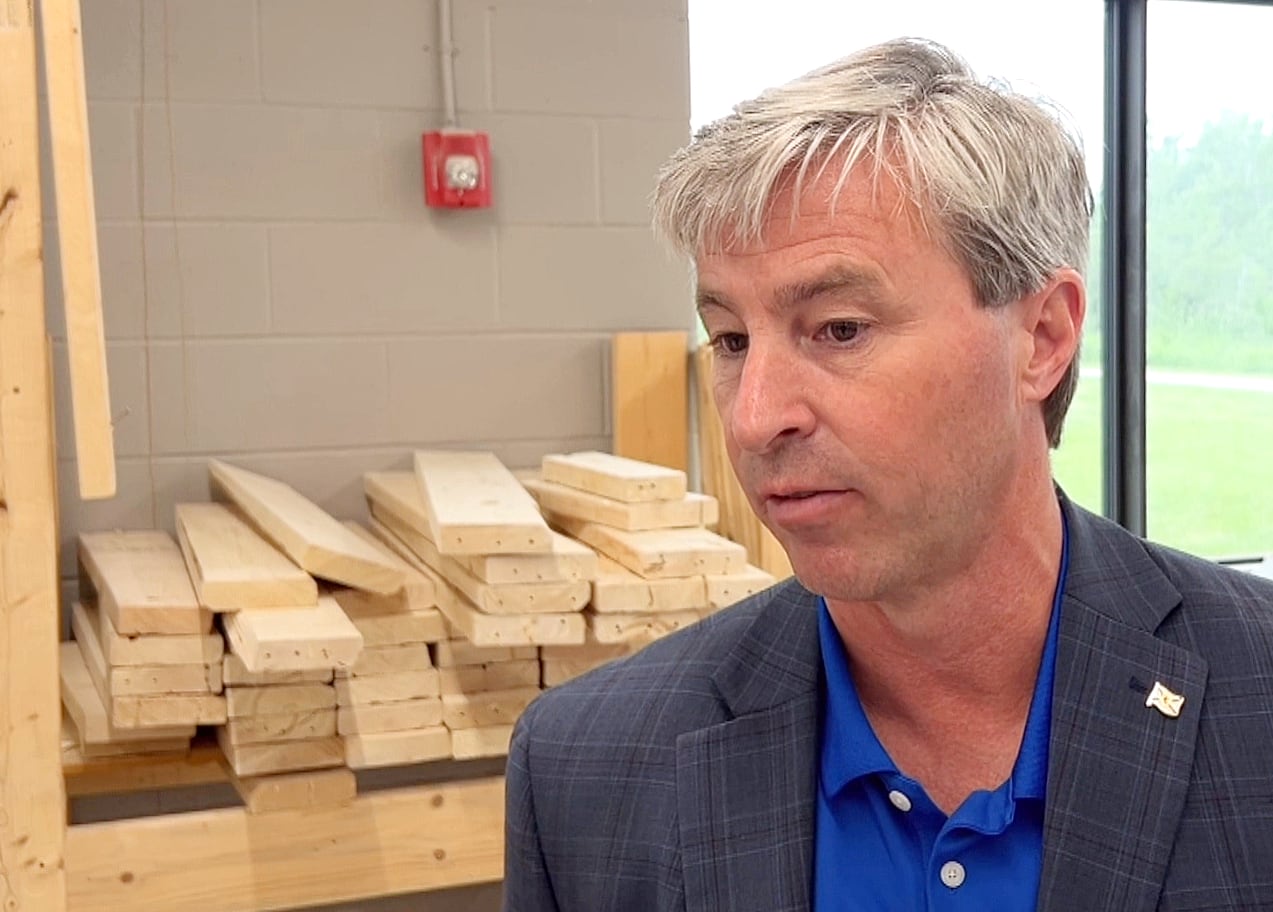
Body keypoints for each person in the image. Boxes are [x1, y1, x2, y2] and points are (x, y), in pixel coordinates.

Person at [502, 37, 1273, 911]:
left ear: (1043, 339)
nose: (755, 418)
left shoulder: (1256, 694)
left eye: (838, 329)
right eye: (730, 339)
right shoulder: (586, 769)